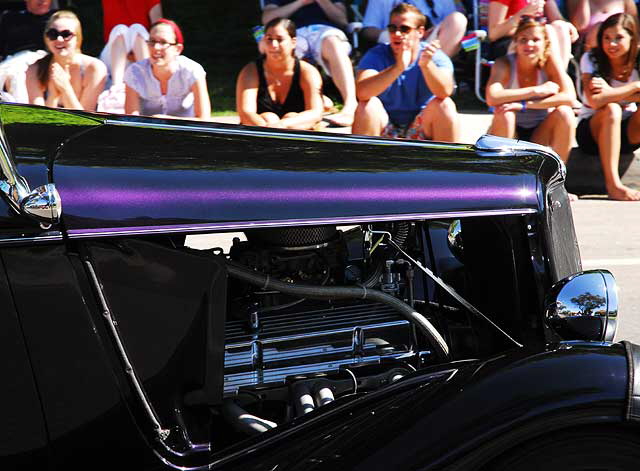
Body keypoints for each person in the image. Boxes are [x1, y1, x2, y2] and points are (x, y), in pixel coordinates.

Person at [352, 3, 459, 142]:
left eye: (404, 29)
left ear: (420, 32)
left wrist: (427, 66)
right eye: (392, 28)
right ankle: (362, 163)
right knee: (366, 106)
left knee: (445, 106)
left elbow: (445, 91)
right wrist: (398, 68)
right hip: (385, 126)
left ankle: (446, 162)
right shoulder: (376, 54)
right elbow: (362, 93)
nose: (397, 34)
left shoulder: (434, 56)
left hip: (421, 127)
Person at [487, 15, 576, 171]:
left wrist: (523, 104)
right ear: (515, 42)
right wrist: (536, 90)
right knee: (505, 113)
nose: (529, 44)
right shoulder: (504, 63)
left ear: (545, 43)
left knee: (565, 113)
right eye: (523, 40)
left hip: (539, 132)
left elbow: (569, 97)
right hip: (509, 130)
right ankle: (501, 180)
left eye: (535, 40)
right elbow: (492, 97)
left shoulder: (549, 62)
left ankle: (556, 182)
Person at [261, 0, 357, 127]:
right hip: (292, 32)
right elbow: (267, 19)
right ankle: (309, 103)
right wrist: (301, 2)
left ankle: (351, 106)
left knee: (333, 44)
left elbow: (342, 20)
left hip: (325, 30)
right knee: (284, 47)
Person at [576, 12, 640, 200]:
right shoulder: (592, 58)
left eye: (618, 38)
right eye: (606, 38)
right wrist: (634, 88)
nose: (611, 44)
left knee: (612, 105)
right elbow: (595, 101)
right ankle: (613, 185)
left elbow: (604, 96)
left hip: (628, 131)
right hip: (592, 131)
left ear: (632, 38)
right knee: (611, 109)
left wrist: (608, 94)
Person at [236, 17, 323, 130]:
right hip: (261, 130)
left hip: (298, 132)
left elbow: (315, 112)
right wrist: (268, 129)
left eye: (280, 39)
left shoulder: (307, 72)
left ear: (293, 42)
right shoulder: (250, 71)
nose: (274, 45)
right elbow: (245, 112)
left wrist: (283, 125)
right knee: (269, 117)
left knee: (291, 116)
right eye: (269, 39)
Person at [124, 19, 211, 119]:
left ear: (177, 49)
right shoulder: (134, 72)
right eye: (152, 41)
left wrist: (167, 121)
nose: (156, 47)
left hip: (186, 132)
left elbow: (204, 118)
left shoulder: (192, 70)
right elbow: (131, 119)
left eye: (163, 42)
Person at [25, 10, 107, 110]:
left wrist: (65, 89)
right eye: (53, 34)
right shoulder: (34, 70)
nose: (59, 39)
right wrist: (53, 96)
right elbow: (38, 119)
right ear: (46, 38)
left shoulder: (94, 68)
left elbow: (85, 121)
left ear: (78, 38)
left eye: (66, 34)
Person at [360, 0, 467, 58]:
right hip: (396, 43)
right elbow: (368, 30)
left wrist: (428, 32)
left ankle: (434, 70)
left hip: (433, 44)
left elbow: (450, 26)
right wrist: (403, 35)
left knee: (458, 20)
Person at [488, 0, 579, 67]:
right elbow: (494, 33)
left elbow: (557, 19)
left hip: (540, 39)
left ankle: (560, 80)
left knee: (560, 26)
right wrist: (523, 13)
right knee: (545, 34)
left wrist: (568, 26)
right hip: (512, 40)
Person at [0, 0, 56, 103]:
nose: (42, 1)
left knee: (16, 74)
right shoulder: (10, 18)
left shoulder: (56, 19)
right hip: (12, 60)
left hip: (42, 59)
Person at [100, 0, 162, 89]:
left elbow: (158, 28)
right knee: (120, 29)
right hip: (114, 57)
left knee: (137, 28)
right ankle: (116, 89)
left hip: (143, 53)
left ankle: (149, 83)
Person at [567, 0, 637, 50]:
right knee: (598, 28)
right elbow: (579, 26)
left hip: (618, 45)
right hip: (588, 48)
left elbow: (633, 25)